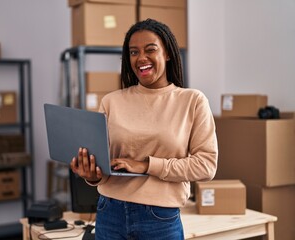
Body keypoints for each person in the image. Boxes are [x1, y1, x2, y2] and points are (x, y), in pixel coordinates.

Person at [70, 18, 218, 240]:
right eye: (133, 52)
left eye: (150, 50)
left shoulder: (192, 101)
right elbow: (106, 164)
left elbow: (206, 165)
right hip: (109, 213)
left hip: (160, 218)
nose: (141, 58)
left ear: (167, 53)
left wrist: (147, 165)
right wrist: (92, 176)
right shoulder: (111, 102)